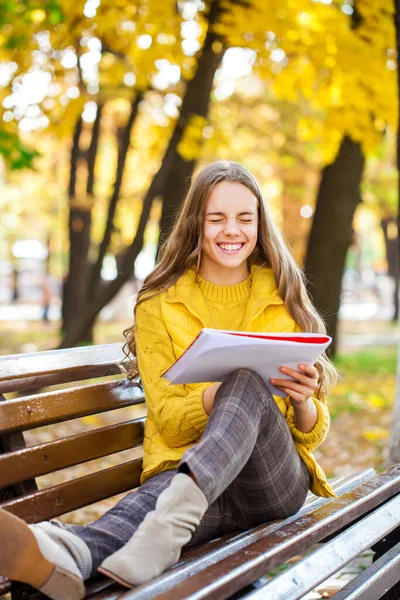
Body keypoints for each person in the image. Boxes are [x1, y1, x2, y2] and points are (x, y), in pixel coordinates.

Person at [0, 161, 337, 600]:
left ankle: (165, 520)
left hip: (269, 483)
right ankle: (66, 552)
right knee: (134, 524)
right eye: (216, 218)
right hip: (190, 477)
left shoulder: (282, 294)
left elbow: (309, 436)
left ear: (259, 224)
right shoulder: (160, 304)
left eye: (244, 218)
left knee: (246, 383)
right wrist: (214, 399)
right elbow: (170, 422)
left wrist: (305, 403)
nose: (230, 230)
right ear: (197, 222)